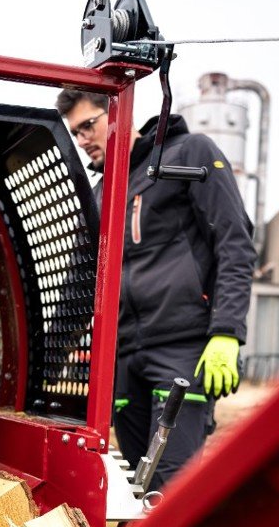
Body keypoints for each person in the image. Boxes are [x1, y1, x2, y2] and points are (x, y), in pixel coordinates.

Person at [55, 88, 256, 488]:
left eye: (88, 125)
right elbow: (79, 284)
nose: (82, 139)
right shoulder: (99, 195)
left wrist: (226, 332)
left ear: (119, 115)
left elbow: (234, 243)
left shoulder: (188, 154)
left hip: (181, 351)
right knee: (137, 488)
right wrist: (50, 353)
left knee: (167, 489)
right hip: (125, 359)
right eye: (75, 132)